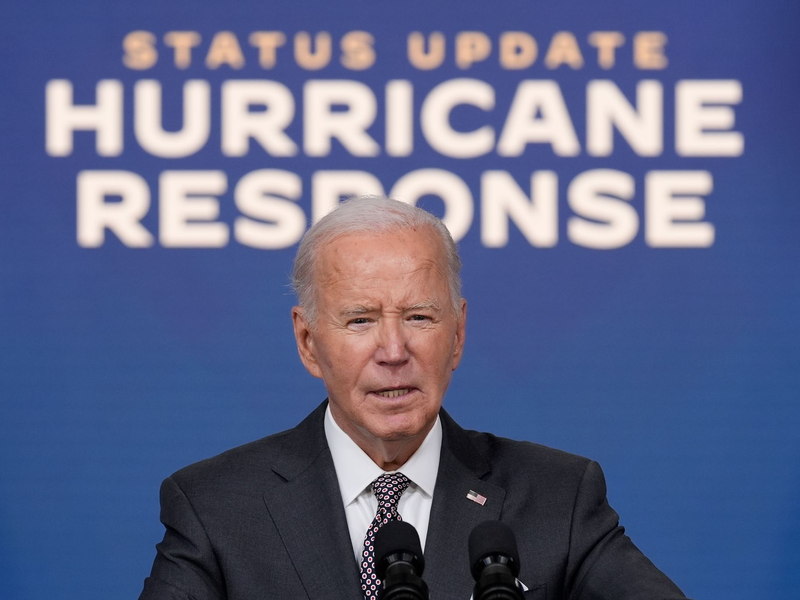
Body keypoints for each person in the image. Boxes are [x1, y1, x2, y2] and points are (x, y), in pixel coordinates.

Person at [139, 196, 688, 600]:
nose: (394, 350)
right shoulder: (216, 507)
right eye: (360, 320)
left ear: (458, 334)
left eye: (419, 317)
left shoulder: (557, 497)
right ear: (308, 343)